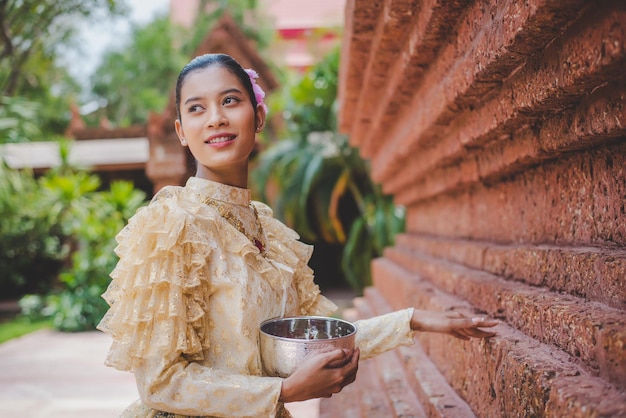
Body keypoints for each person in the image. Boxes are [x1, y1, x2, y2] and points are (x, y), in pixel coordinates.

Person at [97, 53, 498, 418]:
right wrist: (283, 391)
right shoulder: (170, 225)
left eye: (230, 101)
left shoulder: (270, 233)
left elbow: (318, 335)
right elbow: (159, 383)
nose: (216, 118)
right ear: (182, 132)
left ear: (258, 117)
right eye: (197, 108)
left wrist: (414, 321)